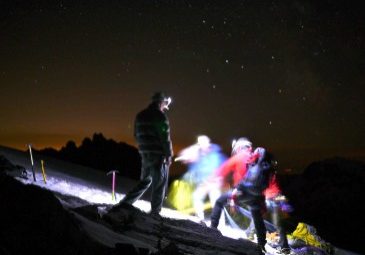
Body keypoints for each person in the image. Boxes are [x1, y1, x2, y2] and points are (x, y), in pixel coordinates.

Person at [113, 92, 173, 217]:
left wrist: (144, 149)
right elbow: (165, 138)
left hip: (145, 155)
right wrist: (168, 155)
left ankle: (125, 202)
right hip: (158, 156)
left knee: (144, 181)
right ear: (160, 102)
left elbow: (136, 134)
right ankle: (155, 213)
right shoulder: (160, 116)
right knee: (159, 184)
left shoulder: (140, 115)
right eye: (164, 103)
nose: (165, 106)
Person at [210, 147, 275, 254]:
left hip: (244, 193)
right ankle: (261, 243)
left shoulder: (255, 164)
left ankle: (213, 228)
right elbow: (264, 185)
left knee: (220, 201)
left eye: (255, 151)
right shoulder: (267, 168)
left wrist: (237, 191)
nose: (252, 152)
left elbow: (248, 180)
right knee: (257, 218)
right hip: (256, 197)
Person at [175, 135, 226, 221]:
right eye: (200, 143)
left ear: (208, 143)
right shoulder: (199, 154)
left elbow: (221, 167)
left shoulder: (215, 154)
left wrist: (216, 178)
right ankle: (200, 218)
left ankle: (220, 222)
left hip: (213, 183)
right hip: (204, 183)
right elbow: (189, 159)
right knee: (197, 197)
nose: (201, 145)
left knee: (216, 202)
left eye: (202, 143)